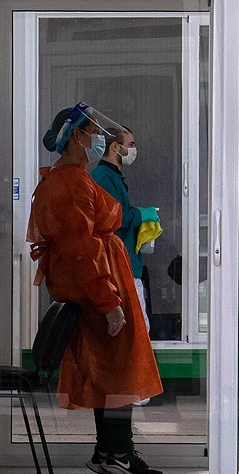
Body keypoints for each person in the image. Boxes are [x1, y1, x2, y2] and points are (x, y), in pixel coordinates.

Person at [28, 103, 164, 474]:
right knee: (120, 373)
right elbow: (83, 251)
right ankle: (118, 452)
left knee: (110, 373)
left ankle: (108, 451)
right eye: (92, 133)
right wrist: (110, 304)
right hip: (100, 291)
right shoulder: (70, 184)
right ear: (76, 137)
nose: (99, 139)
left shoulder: (70, 178)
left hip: (101, 285)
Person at [91, 125, 158, 407]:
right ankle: (134, 391)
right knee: (134, 327)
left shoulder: (113, 177)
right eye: (130, 143)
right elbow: (115, 218)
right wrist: (143, 214)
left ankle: (135, 389)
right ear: (115, 147)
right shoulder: (103, 178)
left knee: (138, 325)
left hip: (127, 262)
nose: (133, 149)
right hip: (119, 265)